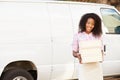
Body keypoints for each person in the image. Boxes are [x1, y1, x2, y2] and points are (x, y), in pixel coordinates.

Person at [72, 13, 104, 80]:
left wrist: (101, 56)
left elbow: (101, 50)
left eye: (93, 24)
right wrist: (77, 55)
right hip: (84, 66)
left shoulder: (98, 36)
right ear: (84, 23)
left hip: (96, 66)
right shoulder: (77, 35)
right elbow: (74, 52)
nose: (90, 25)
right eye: (88, 23)